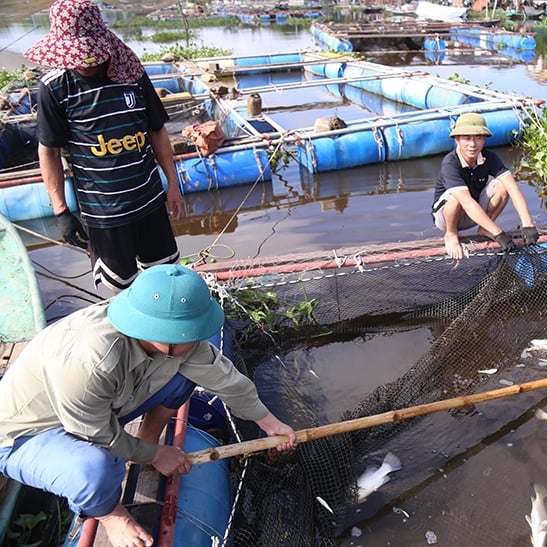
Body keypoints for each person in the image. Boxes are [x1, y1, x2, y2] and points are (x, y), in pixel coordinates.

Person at [0, 264, 297, 547]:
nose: (196, 340)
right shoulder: (90, 360)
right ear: (158, 333)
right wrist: (157, 456)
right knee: (94, 470)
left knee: (182, 380)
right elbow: (97, 434)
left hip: (95, 410)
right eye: (190, 334)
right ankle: (110, 515)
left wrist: (270, 423)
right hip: (28, 434)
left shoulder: (173, 341)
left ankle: (146, 438)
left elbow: (225, 378)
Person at [24, 0, 184, 293]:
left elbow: (157, 130)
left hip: (148, 201)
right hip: (104, 214)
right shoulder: (55, 87)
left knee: (166, 279)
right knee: (121, 289)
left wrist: (172, 184)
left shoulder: (132, 74)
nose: (86, 63)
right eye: (78, 57)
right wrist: (61, 211)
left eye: (91, 55)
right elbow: (49, 151)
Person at [432, 112, 539, 260]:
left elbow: (512, 188)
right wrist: (499, 234)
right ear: (457, 139)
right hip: (447, 217)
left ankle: (484, 228)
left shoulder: (490, 157)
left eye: (478, 138)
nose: (472, 144)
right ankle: (451, 234)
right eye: (467, 138)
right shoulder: (450, 163)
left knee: (502, 186)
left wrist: (528, 224)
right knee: (455, 198)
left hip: (475, 212)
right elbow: (467, 202)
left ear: (484, 140)